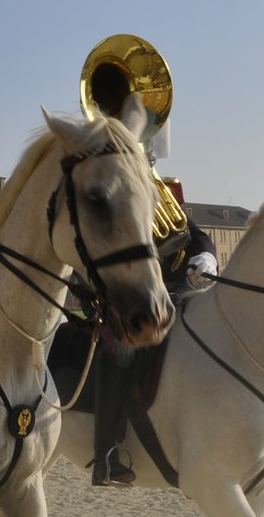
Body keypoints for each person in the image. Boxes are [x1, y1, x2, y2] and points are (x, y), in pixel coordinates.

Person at [80, 197, 217, 486]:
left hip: (177, 294)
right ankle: (106, 455)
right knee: (120, 351)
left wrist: (206, 256)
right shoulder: (98, 202)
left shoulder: (152, 196)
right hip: (127, 304)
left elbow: (196, 236)